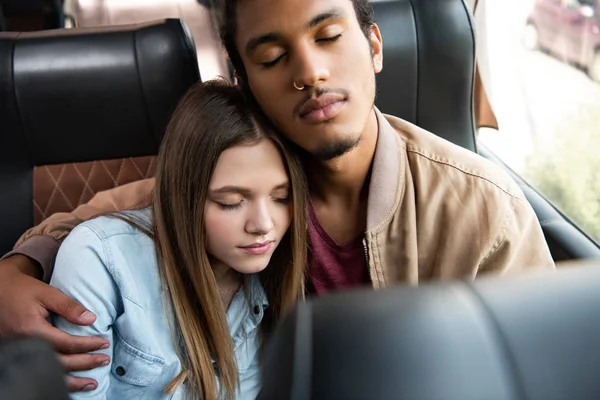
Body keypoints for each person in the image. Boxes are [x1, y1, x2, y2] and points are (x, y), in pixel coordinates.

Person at [0, 0, 555, 393]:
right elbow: (122, 212)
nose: (310, 73)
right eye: (271, 58)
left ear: (374, 46)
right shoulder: (254, 172)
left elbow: (539, 368)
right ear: (244, 81)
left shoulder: (482, 209)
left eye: (330, 37)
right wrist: (15, 268)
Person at [48, 80, 307, 399]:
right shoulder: (98, 259)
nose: (264, 225)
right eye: (230, 202)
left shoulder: (271, 281)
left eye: (281, 198)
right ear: (184, 195)